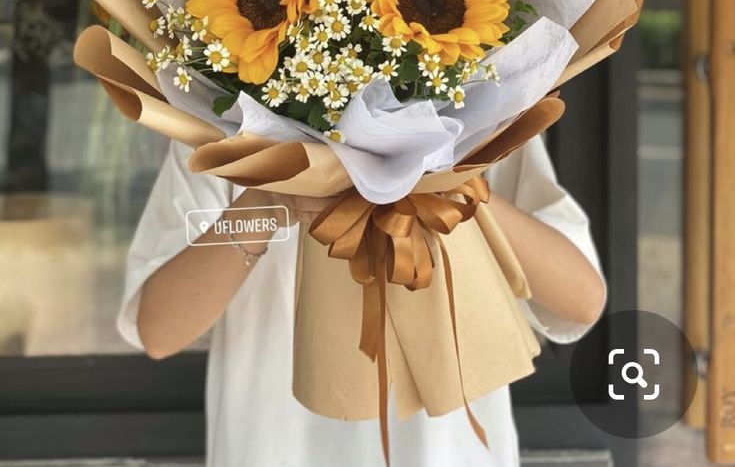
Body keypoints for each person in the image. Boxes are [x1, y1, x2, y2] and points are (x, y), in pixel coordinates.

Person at [118, 134, 606, 466]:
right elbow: (159, 330)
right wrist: (267, 201)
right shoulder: (220, 122)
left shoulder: (478, 112)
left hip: (446, 452)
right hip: (277, 446)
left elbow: (581, 298)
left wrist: (451, 186)